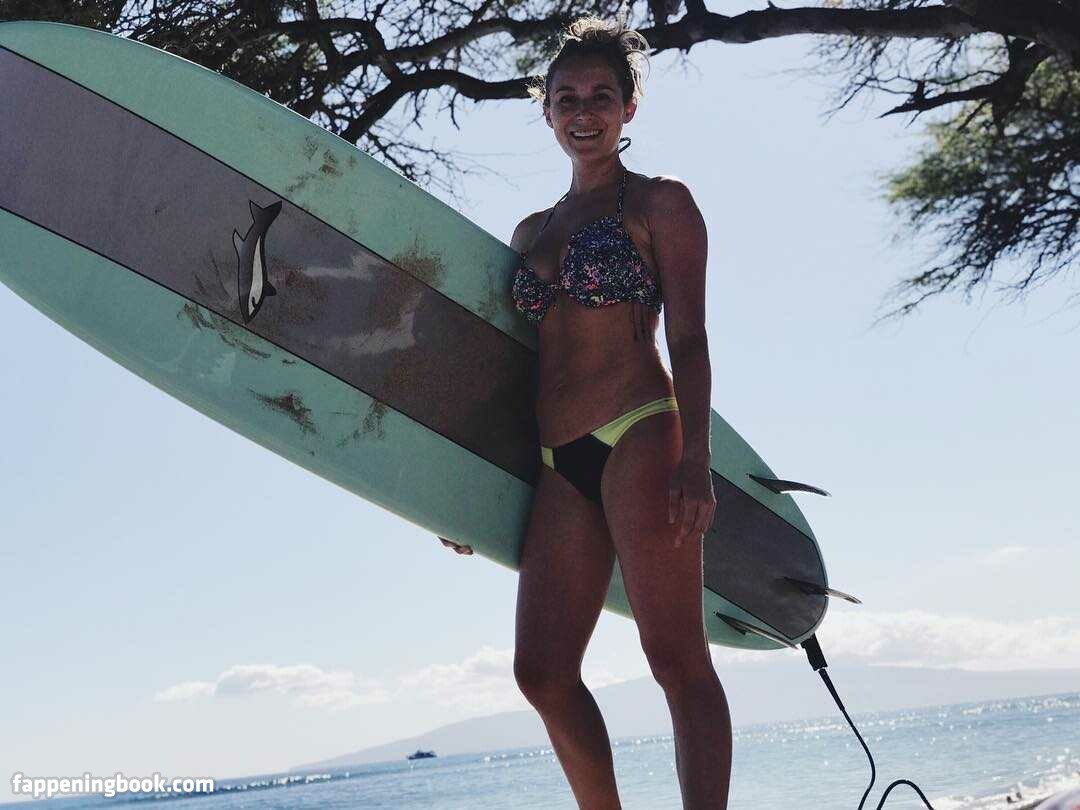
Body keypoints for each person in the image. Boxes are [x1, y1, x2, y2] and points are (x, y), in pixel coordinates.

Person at [504, 14, 729, 810]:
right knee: (541, 672)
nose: (584, 111)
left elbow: (691, 338)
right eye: (566, 97)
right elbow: (512, 371)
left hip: (639, 430)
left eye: (601, 95)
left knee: (675, 658)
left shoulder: (661, 203)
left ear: (629, 107)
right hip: (558, 459)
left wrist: (696, 456)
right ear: (547, 111)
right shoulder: (530, 232)